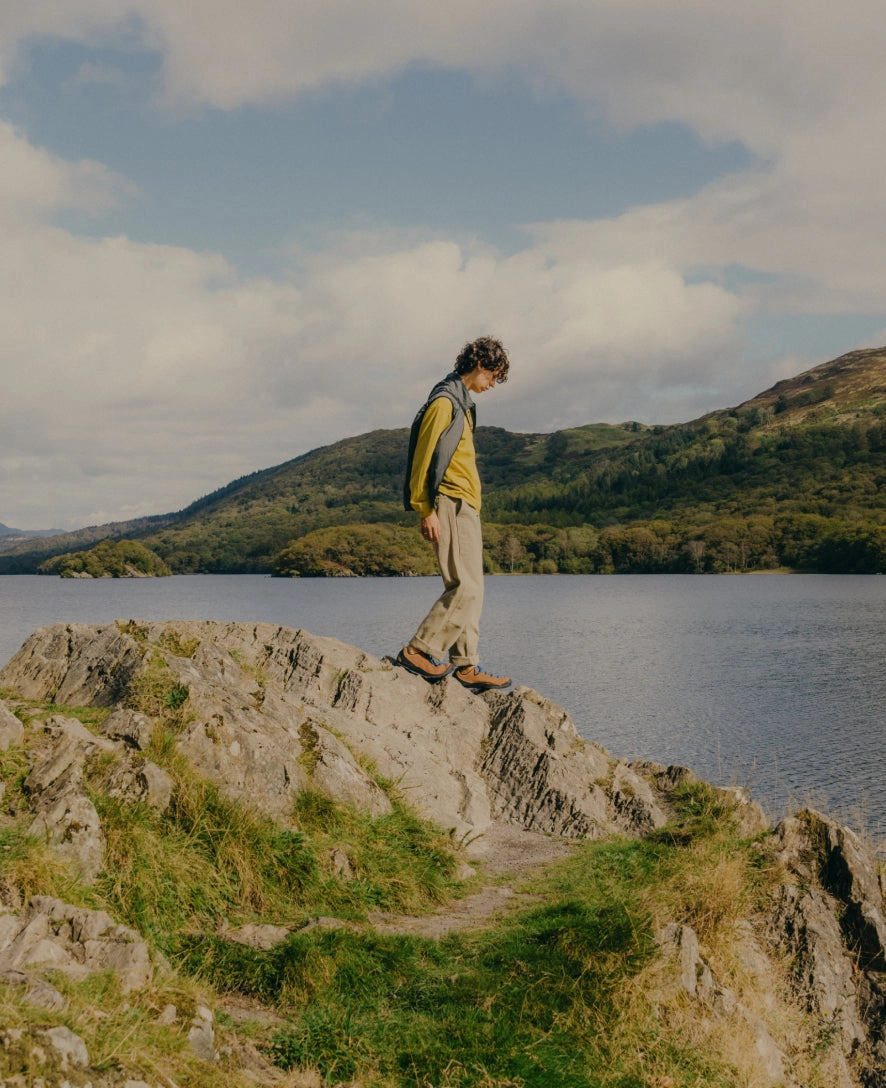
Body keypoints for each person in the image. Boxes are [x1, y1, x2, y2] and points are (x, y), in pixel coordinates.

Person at [397, 336, 512, 694]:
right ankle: (419, 650)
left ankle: (466, 664)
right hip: (449, 502)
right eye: (493, 376)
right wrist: (425, 509)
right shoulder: (445, 402)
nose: (492, 385)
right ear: (480, 365)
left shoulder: (462, 405)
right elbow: (422, 457)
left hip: (466, 507)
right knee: (464, 586)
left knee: (473, 589)